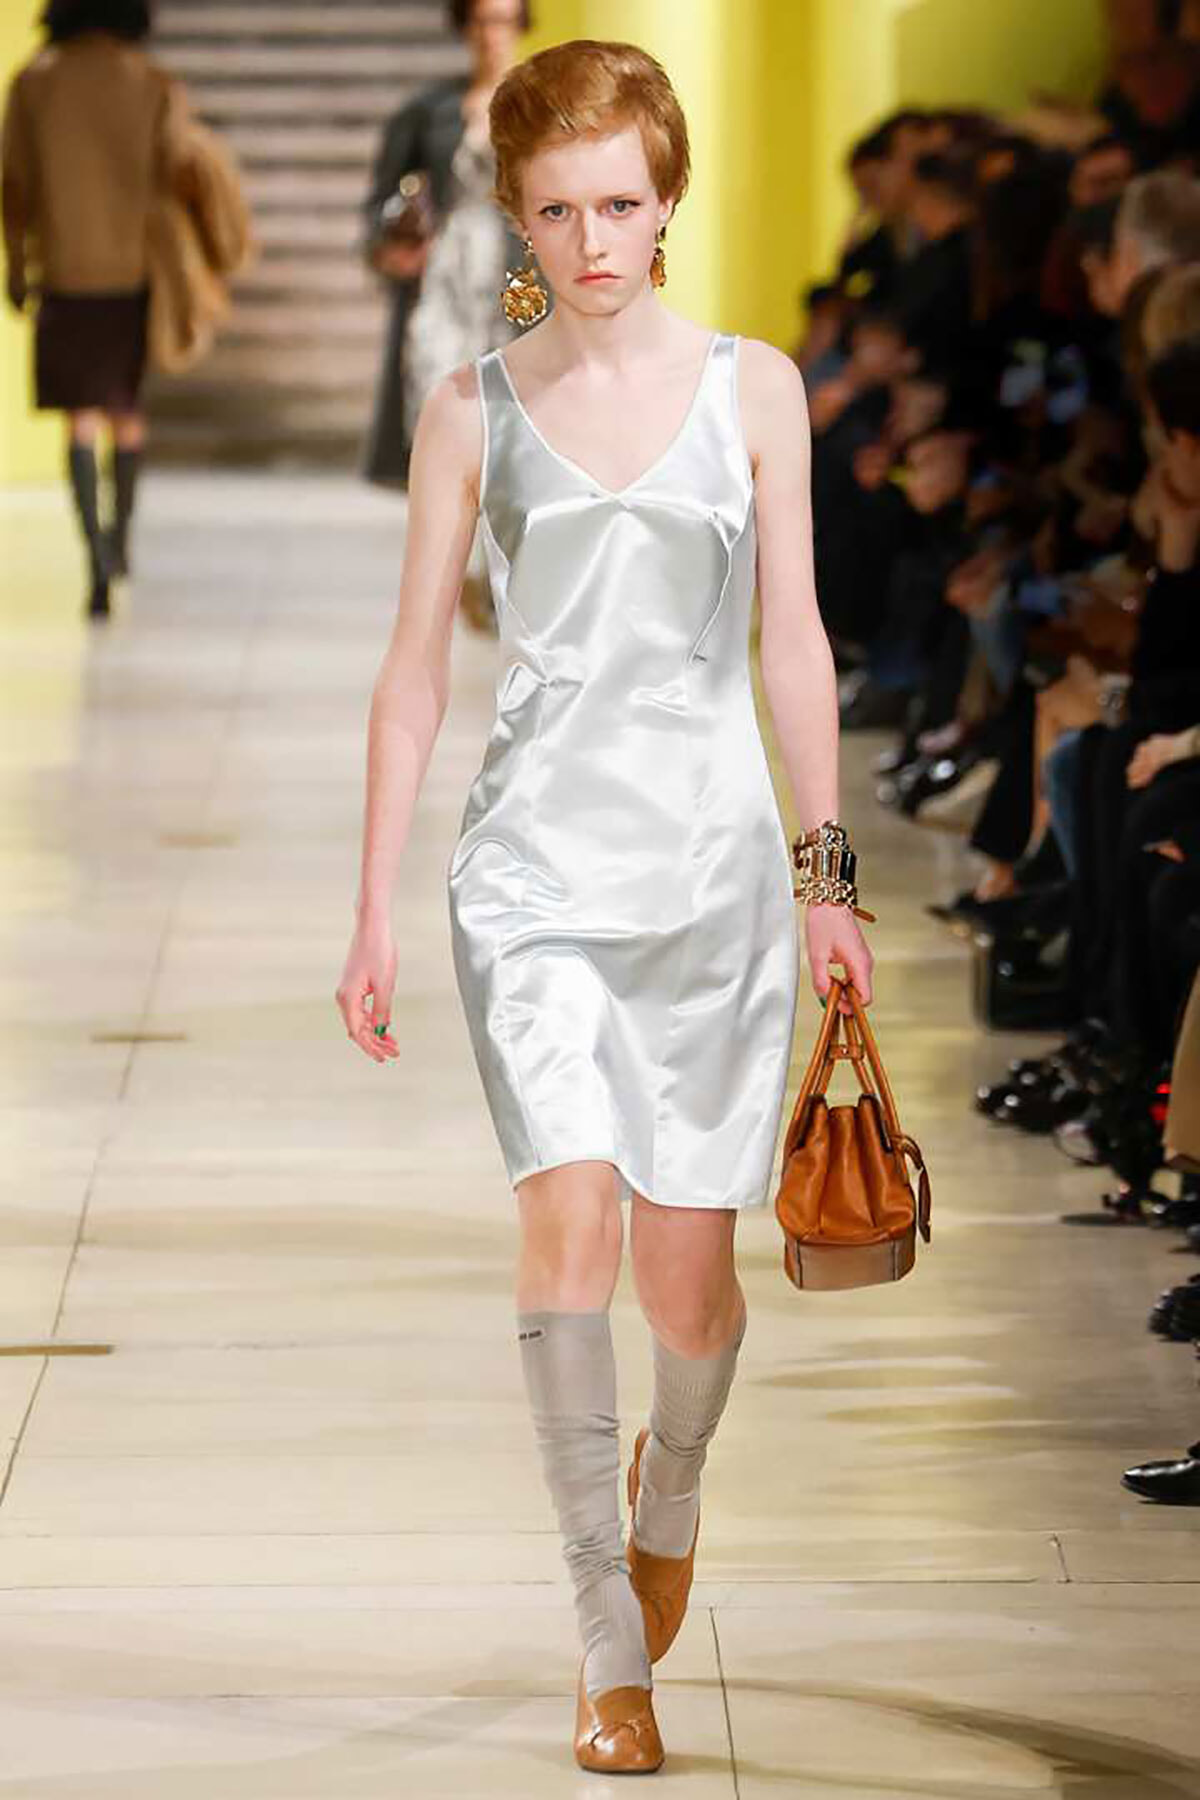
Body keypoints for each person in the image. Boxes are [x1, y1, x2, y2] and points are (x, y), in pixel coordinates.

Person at [335, 37, 873, 1776]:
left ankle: (680, 1478)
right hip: (537, 879)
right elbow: (413, 677)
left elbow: (793, 641)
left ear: (670, 199)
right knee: (565, 1237)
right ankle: (603, 1650)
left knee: (691, 1291)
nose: (593, 240)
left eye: (623, 205)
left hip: (714, 881)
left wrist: (829, 880)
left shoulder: (755, 391)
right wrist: (373, 908)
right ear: (519, 212)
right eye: (559, 209)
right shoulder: (471, 408)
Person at [1, 0, 190, 618]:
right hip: (132, 274)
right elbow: (175, 175)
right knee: (126, 412)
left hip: (65, 271)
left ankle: (95, 562)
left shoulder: (33, 82)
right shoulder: (151, 82)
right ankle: (122, 539)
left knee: (81, 418)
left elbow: (14, 183)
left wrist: (18, 265)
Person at [360, 0, 530, 495]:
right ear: (463, 26)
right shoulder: (425, 113)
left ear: (520, 25)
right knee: (442, 401)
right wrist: (392, 241)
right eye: (479, 20)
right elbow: (380, 204)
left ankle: (490, 561)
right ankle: (453, 551)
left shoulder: (544, 109)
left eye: (502, 20)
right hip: (444, 276)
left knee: (515, 412)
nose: (490, 34)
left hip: (516, 273)